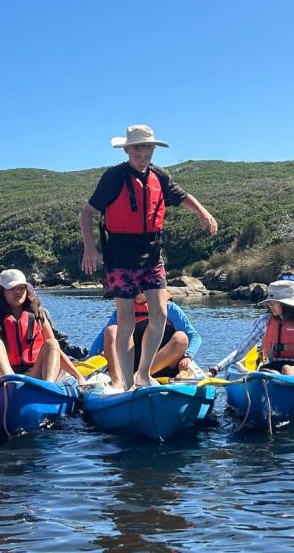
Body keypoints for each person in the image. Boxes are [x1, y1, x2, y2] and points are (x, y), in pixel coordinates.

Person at [79, 124, 218, 390]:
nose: (142, 157)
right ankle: (129, 382)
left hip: (151, 254)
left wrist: (203, 213)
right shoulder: (114, 177)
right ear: (128, 150)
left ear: (153, 149)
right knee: (126, 321)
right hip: (119, 257)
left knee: (159, 314)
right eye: (137, 152)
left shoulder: (160, 176)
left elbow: (183, 196)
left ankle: (143, 373)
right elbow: (87, 214)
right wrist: (90, 248)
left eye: (147, 151)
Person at [0, 269, 84, 382]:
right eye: (12, 288)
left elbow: (55, 350)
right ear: (2, 292)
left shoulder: (38, 315)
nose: (18, 292)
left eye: (21, 288)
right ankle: (12, 384)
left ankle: (48, 387)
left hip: (33, 373)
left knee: (52, 342)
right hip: (5, 377)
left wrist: (78, 375)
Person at [88, 289, 201, 385]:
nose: (137, 293)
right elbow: (102, 338)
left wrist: (188, 355)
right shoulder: (123, 311)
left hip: (164, 365)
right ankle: (118, 383)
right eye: (133, 289)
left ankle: (140, 376)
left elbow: (194, 336)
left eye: (141, 290)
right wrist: (90, 359)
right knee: (111, 330)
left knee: (181, 338)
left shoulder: (169, 308)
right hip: (130, 364)